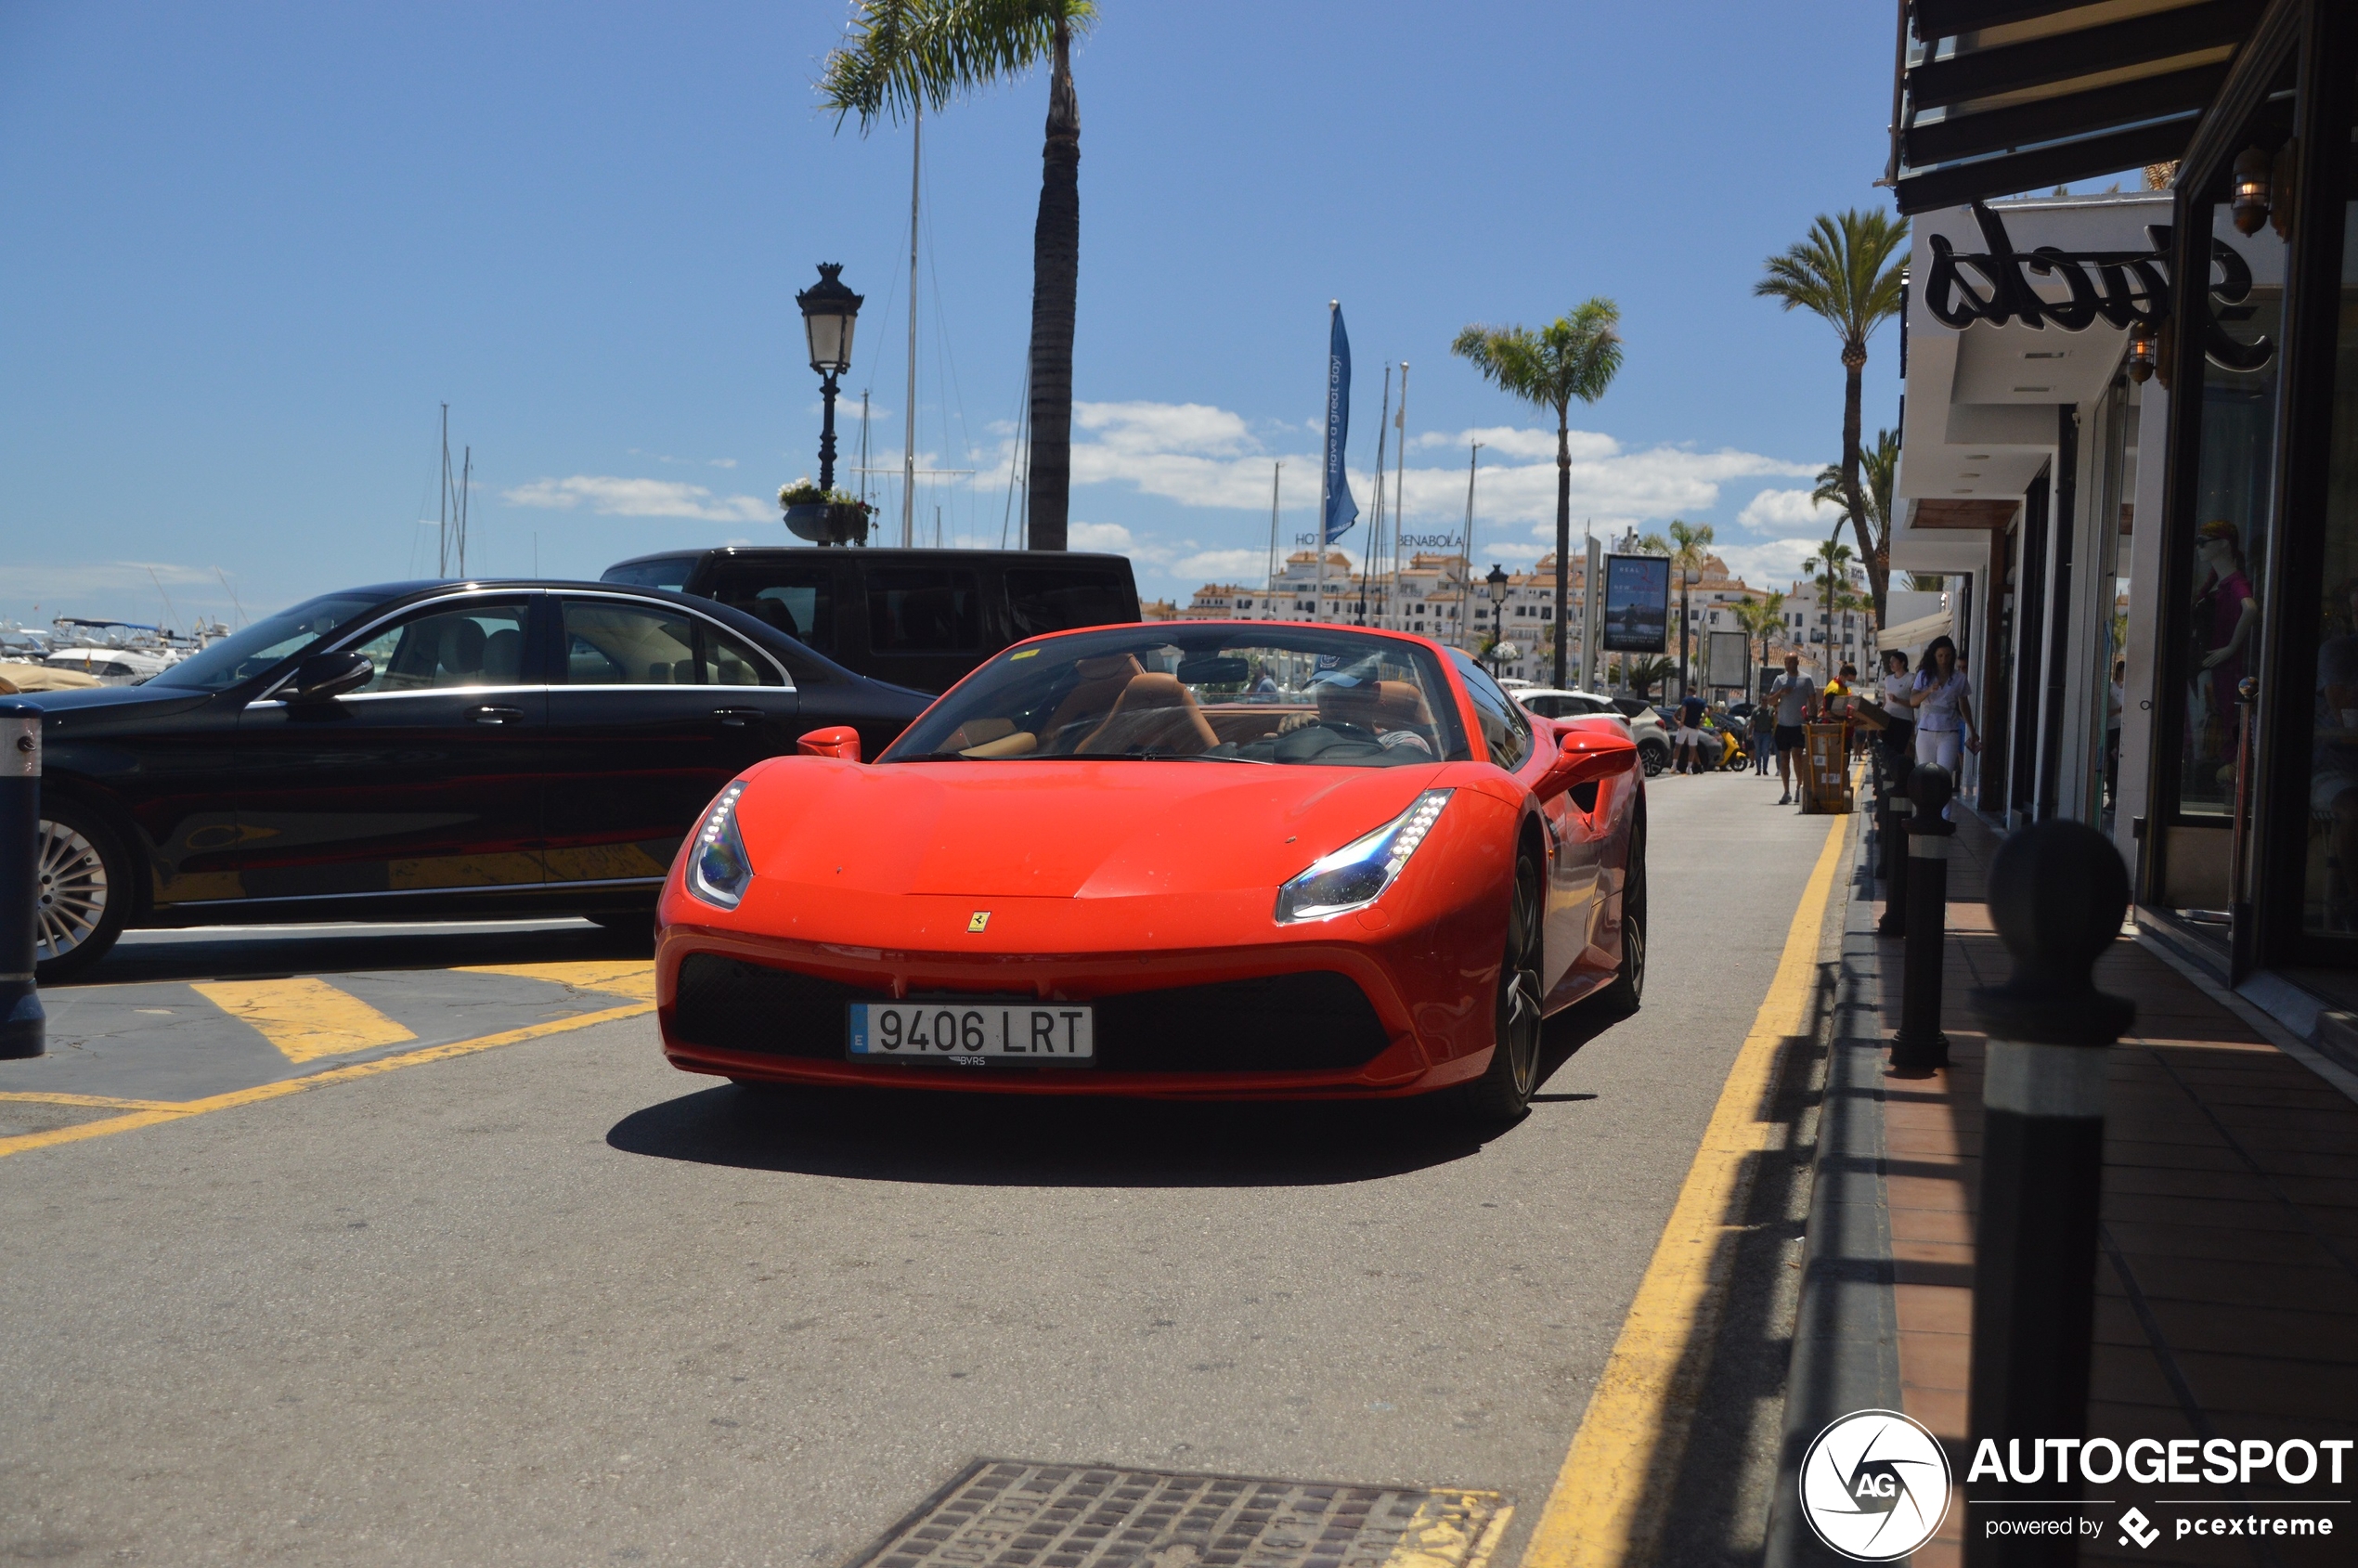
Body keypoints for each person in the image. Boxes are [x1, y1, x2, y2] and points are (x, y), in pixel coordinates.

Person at [1906, 637, 1981, 804]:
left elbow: (1964, 705)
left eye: (1947, 656)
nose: (1944, 660)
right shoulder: (1924, 675)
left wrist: (1972, 729)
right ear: (1934, 655)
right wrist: (1929, 691)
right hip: (1926, 730)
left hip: (1949, 731)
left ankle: (1943, 814)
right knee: (1926, 774)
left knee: (1944, 775)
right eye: (1940, 656)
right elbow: (1913, 701)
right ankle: (1925, 811)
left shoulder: (1959, 678)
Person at [1768, 653, 1818, 805]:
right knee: (1784, 759)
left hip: (1799, 725)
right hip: (1783, 725)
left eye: (1791, 662)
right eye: (1786, 662)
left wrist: (1813, 720)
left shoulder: (1807, 679)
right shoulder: (1779, 680)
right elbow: (1770, 700)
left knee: (1797, 756)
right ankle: (1786, 791)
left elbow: (1813, 701)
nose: (1789, 665)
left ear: (1797, 662)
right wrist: (1780, 693)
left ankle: (1799, 787)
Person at [1878, 648, 1916, 779]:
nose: (1891, 665)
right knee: (1887, 747)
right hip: (1888, 717)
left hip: (1903, 719)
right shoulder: (1888, 679)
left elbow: (1914, 703)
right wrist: (1880, 717)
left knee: (1898, 748)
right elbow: (1885, 701)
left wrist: (1898, 700)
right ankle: (1889, 771)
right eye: (1890, 662)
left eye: (1894, 662)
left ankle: (1897, 775)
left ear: (1902, 663)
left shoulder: (1910, 678)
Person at [1675, 690, 1707, 774]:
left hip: (1685, 726)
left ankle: (1674, 765)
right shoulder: (1701, 702)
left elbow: (1683, 710)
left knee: (1678, 746)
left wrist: (1682, 721)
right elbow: (1706, 711)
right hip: (1694, 728)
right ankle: (1689, 768)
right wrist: (1700, 724)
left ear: (1689, 692)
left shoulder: (1686, 700)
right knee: (1692, 748)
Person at [1750, 701, 1774, 775]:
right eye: (1763, 700)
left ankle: (1765, 769)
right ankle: (1758, 770)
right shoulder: (1756, 711)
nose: (1765, 702)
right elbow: (1752, 723)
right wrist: (1750, 733)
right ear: (1761, 701)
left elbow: (1774, 720)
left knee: (1765, 751)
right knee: (1758, 751)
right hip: (1757, 733)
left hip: (1767, 733)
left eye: (1766, 700)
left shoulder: (1771, 710)